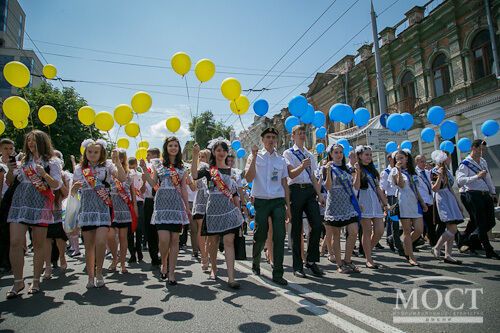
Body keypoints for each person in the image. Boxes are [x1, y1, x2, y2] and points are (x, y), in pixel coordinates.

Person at [6, 130, 63, 298]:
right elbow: (10, 181)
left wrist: (43, 173)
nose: (31, 143)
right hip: (20, 203)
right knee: (15, 242)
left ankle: (36, 280)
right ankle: (18, 282)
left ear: (42, 142)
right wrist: (10, 170)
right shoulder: (22, 160)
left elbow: (56, 185)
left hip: (40, 204)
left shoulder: (51, 161)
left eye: (34, 140)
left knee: (39, 244)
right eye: (29, 141)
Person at [71, 139, 126, 288]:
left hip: (103, 208)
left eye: (96, 152)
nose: (93, 154)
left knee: (101, 242)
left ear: (101, 153)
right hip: (87, 208)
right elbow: (73, 191)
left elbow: (122, 178)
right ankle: (90, 277)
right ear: (85, 152)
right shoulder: (79, 168)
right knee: (89, 246)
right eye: (90, 152)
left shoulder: (108, 166)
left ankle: (99, 272)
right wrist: (74, 189)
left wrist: (117, 162)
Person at [192, 138, 243, 289]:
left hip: (228, 210)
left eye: (224, 150)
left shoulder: (231, 170)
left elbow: (234, 193)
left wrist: (239, 209)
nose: (221, 153)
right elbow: (194, 176)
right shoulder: (208, 170)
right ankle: (214, 268)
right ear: (213, 152)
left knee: (228, 241)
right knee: (212, 242)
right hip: (213, 209)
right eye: (218, 150)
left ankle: (231, 277)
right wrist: (195, 155)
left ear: (228, 152)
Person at [141, 137, 190, 285]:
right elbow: (153, 183)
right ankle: (164, 262)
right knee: (163, 239)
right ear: (166, 147)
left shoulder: (182, 168)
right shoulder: (158, 164)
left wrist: (187, 207)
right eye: (170, 145)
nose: (173, 148)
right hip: (161, 204)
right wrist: (144, 169)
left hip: (176, 205)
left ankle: (172, 272)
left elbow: (183, 188)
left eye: (176, 145)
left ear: (179, 148)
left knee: (174, 240)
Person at [245, 127, 290, 286]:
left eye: (273, 137)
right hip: (262, 201)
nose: (271, 140)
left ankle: (278, 273)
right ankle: (256, 262)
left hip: (278, 201)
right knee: (261, 234)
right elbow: (248, 177)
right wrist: (255, 157)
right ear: (262, 140)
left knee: (279, 236)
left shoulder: (281, 160)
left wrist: (288, 208)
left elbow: (284, 183)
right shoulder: (254, 156)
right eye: (268, 137)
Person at [282, 125, 325, 278]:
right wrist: (302, 165)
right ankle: (297, 266)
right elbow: (291, 174)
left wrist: (319, 194)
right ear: (292, 136)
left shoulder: (309, 154)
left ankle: (311, 261)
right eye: (299, 133)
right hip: (295, 191)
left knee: (318, 225)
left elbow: (313, 176)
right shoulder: (288, 153)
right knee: (296, 230)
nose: (302, 135)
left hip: (309, 191)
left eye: (303, 133)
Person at [323, 142, 361, 274]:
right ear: (331, 155)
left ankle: (348, 260)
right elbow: (327, 187)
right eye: (336, 153)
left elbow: (355, 187)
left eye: (340, 152)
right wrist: (327, 171)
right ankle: (340, 264)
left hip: (348, 204)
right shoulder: (328, 168)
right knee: (336, 235)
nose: (339, 155)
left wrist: (358, 172)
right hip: (334, 205)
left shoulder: (348, 168)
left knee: (354, 231)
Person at [456, 139, 498, 259]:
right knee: (480, 221)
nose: (482, 151)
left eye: (483, 149)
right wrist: (476, 177)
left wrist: (493, 192)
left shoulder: (483, 161)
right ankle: (488, 249)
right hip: (473, 194)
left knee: (491, 221)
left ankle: (468, 239)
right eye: (480, 149)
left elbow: (488, 177)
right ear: (473, 148)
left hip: (485, 194)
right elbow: (459, 181)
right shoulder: (465, 163)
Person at [390, 149, 427, 267]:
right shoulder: (395, 171)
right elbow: (400, 184)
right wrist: (399, 171)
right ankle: (411, 257)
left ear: (407, 158)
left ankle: (405, 244)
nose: (399, 160)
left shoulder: (412, 171)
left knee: (419, 230)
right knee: (407, 231)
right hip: (404, 202)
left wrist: (422, 202)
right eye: (397, 158)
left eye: (401, 158)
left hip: (415, 203)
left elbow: (416, 189)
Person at [355, 145, 390, 269]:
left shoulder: (373, 170)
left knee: (380, 230)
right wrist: (357, 172)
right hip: (363, 201)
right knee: (367, 230)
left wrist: (386, 203)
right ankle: (369, 259)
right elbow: (356, 187)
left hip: (374, 201)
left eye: (370, 155)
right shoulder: (356, 169)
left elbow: (378, 188)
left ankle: (367, 250)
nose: (369, 157)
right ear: (359, 156)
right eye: (366, 154)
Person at [430, 150, 464, 264]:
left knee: (452, 228)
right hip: (442, 198)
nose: (449, 159)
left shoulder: (448, 171)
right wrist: (439, 176)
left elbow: (450, 187)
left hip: (449, 198)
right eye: (448, 157)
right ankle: (437, 247)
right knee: (452, 228)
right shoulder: (434, 171)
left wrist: (458, 203)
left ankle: (448, 255)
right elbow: (435, 188)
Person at [108, 149, 137, 273]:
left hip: (124, 207)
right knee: (110, 236)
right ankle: (115, 259)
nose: (115, 159)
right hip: (110, 206)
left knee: (122, 236)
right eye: (113, 157)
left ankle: (123, 263)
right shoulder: (108, 172)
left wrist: (135, 206)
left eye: (118, 157)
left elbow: (131, 191)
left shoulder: (128, 173)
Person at [43, 151, 70, 279]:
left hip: (57, 211)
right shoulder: (40, 171)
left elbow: (66, 193)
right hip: (43, 211)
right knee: (46, 239)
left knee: (60, 238)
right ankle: (47, 266)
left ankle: (62, 257)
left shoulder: (62, 175)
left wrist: (58, 180)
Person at [141, 148, 161, 267]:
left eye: (150, 155)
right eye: (148, 155)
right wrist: (143, 182)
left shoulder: (161, 167)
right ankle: (154, 257)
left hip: (161, 201)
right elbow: (142, 190)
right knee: (150, 230)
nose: (148, 157)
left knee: (161, 230)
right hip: (149, 201)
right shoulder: (145, 169)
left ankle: (162, 254)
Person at [192, 149, 211, 271]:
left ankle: (208, 252)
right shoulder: (196, 170)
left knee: (210, 231)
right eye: (200, 156)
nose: (201, 159)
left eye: (203, 156)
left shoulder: (213, 169)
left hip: (211, 200)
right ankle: (204, 256)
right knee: (201, 229)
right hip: (200, 200)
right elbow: (194, 187)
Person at [380, 153, 403, 254]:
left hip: (402, 198)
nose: (398, 160)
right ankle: (395, 243)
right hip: (392, 198)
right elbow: (383, 187)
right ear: (390, 159)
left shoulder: (402, 170)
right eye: (396, 158)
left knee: (406, 221)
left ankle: (393, 238)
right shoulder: (386, 172)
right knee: (394, 222)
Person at [0, 138, 16, 273]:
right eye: (5, 148)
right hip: (3, 201)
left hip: (13, 201)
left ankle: (10, 260)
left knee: (11, 233)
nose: (8, 151)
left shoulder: (17, 164)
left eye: (11, 148)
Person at [415, 155, 437, 247]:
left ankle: (434, 245)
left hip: (430, 200)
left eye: (425, 161)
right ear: (417, 162)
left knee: (431, 224)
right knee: (418, 226)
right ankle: (412, 243)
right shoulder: (415, 173)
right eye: (421, 162)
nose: (424, 163)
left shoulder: (428, 172)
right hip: (421, 201)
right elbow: (415, 188)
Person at [127, 157, 144, 263]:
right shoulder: (131, 175)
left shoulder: (138, 174)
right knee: (137, 229)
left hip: (134, 203)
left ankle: (134, 253)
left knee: (133, 230)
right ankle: (137, 252)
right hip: (135, 203)